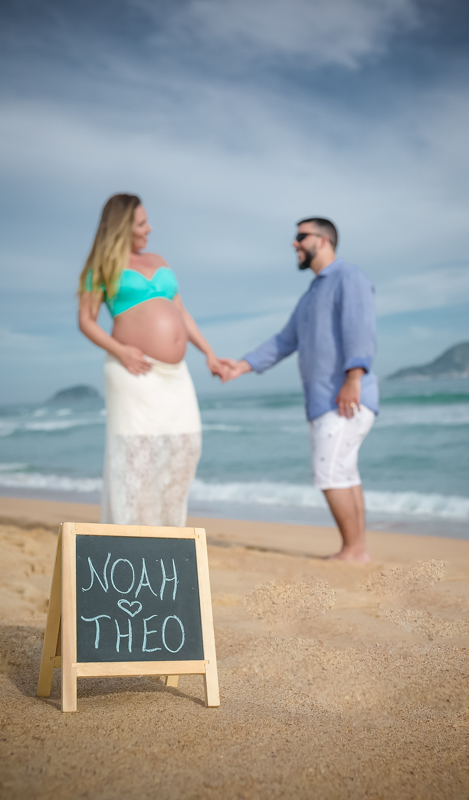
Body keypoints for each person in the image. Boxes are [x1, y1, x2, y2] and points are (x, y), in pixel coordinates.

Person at [222, 217, 379, 563]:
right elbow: (283, 341)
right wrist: (241, 365)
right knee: (344, 473)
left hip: (343, 397)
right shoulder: (311, 295)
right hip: (326, 399)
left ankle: (353, 550)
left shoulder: (348, 277)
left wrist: (353, 379)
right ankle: (357, 550)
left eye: (300, 237)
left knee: (329, 474)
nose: (294, 244)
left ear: (322, 240)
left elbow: (360, 328)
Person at [78, 193, 226, 527]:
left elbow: (180, 312)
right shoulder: (102, 266)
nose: (150, 228)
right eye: (142, 223)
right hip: (133, 369)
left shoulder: (160, 260)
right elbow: (86, 320)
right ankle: (132, 534)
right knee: (136, 455)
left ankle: (170, 530)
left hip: (175, 373)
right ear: (121, 227)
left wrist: (210, 354)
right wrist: (121, 350)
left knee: (186, 446)